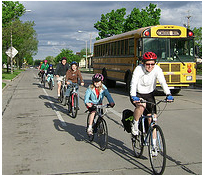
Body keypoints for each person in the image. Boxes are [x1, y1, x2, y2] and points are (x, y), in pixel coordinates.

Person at [130, 52, 174, 136]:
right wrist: (133, 96)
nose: (150, 66)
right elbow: (133, 83)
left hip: (149, 94)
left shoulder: (157, 69)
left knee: (153, 119)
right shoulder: (138, 69)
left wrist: (168, 94)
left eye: (152, 64)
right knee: (142, 106)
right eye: (147, 64)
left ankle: (154, 146)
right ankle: (135, 124)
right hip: (137, 93)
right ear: (143, 63)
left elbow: (162, 82)